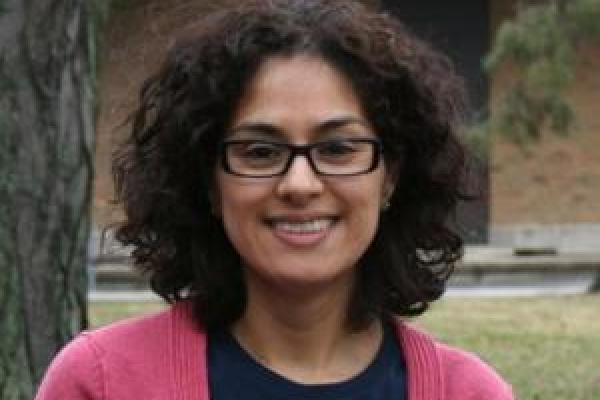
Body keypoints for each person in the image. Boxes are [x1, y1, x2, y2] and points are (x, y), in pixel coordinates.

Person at [36, 1, 513, 399]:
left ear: (390, 179)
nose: (299, 184)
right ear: (208, 183)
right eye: (260, 152)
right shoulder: (101, 383)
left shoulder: (468, 392)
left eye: (338, 149)